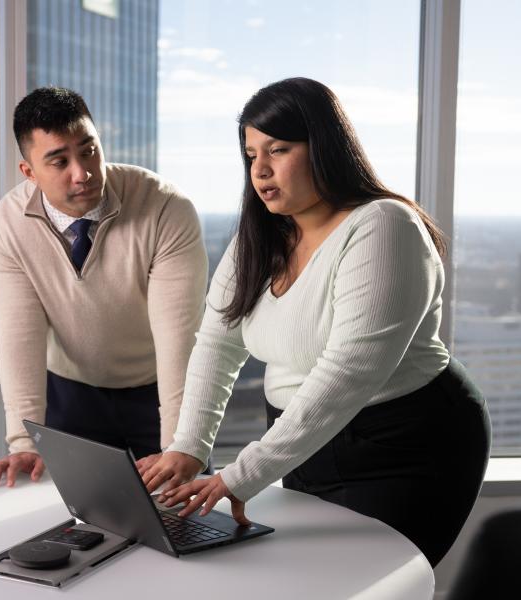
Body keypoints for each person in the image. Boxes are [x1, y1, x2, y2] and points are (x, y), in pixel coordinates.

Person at [139, 78, 491, 567]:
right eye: (251, 155)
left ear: (324, 147)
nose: (260, 169)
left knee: (369, 586)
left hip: (402, 443)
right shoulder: (259, 238)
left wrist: (241, 475)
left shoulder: (384, 225)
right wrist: (189, 446)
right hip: (304, 440)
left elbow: (348, 372)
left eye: (278, 150)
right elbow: (218, 343)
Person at [0, 87, 207, 487]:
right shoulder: (8, 224)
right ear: (29, 172)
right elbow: (19, 334)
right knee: (65, 514)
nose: (82, 172)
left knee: (182, 508)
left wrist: (180, 443)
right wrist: (23, 443)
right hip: (70, 392)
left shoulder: (165, 207)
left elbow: (178, 338)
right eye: (59, 161)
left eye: (89, 151)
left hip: (159, 392)